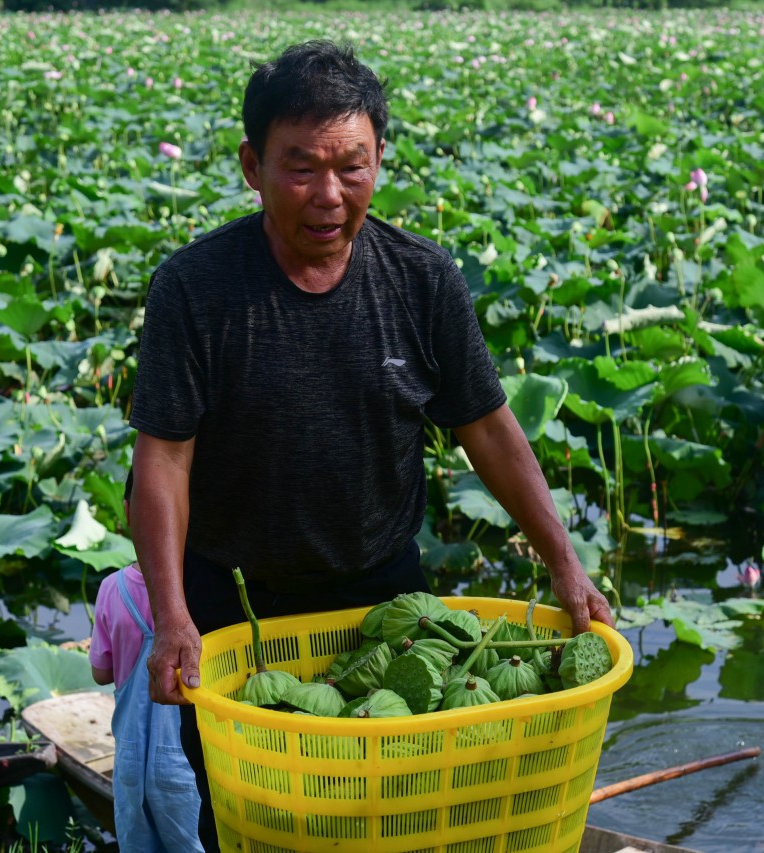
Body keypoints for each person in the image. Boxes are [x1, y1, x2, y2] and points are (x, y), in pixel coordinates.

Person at [127, 40, 614, 851]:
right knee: (255, 820)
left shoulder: (421, 279)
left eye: (353, 166)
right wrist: (171, 613)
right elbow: (162, 462)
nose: (329, 194)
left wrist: (564, 563)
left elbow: (489, 428)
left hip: (384, 604)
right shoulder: (196, 288)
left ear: (380, 157)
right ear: (251, 166)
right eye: (301, 167)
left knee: (399, 818)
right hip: (237, 605)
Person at [89, 474, 203, 853]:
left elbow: (101, 672)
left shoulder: (111, 588)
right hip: (185, 759)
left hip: (129, 759)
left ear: (126, 513)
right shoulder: (196, 593)